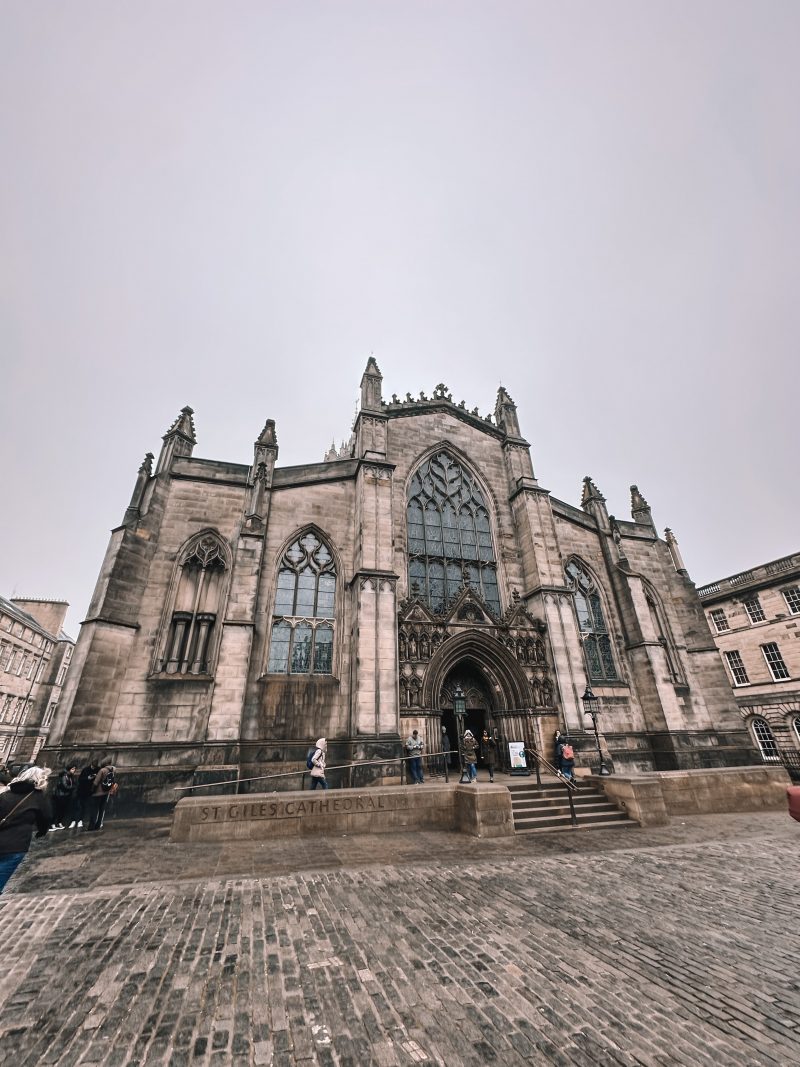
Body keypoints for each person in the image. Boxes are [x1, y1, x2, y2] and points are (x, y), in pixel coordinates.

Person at [0, 766, 52, 892]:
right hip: (16, 846)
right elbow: (46, 816)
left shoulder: (6, 793)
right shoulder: (38, 797)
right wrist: (42, 831)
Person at [86, 761, 115, 831]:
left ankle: (91, 827)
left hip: (98, 793)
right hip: (106, 793)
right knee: (101, 810)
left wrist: (91, 791)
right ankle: (98, 825)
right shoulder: (112, 770)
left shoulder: (102, 770)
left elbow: (96, 782)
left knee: (94, 810)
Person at [50, 763, 77, 831]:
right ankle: (52, 824)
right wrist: (73, 787)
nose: (74, 770)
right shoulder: (64, 776)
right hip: (60, 795)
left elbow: (73, 784)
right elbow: (65, 786)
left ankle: (59, 823)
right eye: (72, 769)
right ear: (69, 769)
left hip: (66, 796)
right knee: (57, 810)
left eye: (74, 769)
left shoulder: (70, 776)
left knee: (62, 810)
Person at [73, 760, 99, 828]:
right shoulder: (86, 770)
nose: (93, 768)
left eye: (94, 767)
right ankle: (75, 821)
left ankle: (80, 820)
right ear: (91, 764)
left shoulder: (98, 769)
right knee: (78, 806)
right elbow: (80, 779)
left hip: (90, 791)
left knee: (84, 806)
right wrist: (88, 778)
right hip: (82, 791)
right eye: (93, 767)